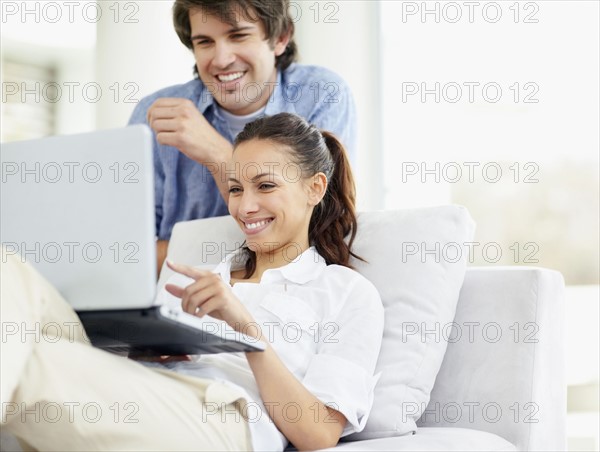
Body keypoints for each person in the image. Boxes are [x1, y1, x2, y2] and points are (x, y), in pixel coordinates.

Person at [1, 113, 382, 451]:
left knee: (35, 364)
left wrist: (245, 329)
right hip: (146, 387)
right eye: (235, 189)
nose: (245, 207)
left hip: (223, 417)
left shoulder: (345, 292)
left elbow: (317, 434)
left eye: (265, 186)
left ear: (314, 188)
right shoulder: (199, 273)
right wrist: (143, 348)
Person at [127, 0, 358, 273]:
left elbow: (319, 231)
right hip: (176, 295)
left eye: (238, 36)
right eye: (204, 42)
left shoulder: (321, 94)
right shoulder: (156, 112)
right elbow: (129, 251)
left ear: (281, 37)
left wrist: (217, 154)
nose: (222, 59)